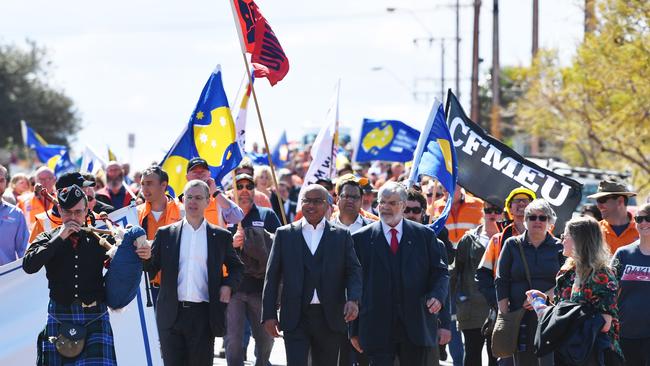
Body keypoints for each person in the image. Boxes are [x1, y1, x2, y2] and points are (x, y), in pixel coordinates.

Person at [23, 183, 152, 365]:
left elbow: (128, 266)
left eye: (78, 212)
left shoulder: (99, 239)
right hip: (60, 316)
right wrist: (60, 237)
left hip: (95, 317)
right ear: (59, 210)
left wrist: (143, 253)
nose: (74, 217)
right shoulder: (47, 239)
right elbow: (29, 265)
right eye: (68, 212)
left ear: (86, 211)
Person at [144, 179, 244, 366]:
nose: (193, 202)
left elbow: (237, 267)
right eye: (189, 197)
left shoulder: (220, 236)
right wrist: (141, 255)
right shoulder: (165, 234)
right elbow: (150, 269)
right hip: (171, 315)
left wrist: (228, 286)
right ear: (183, 201)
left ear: (208, 201)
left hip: (204, 316)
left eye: (198, 198)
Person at [350, 182, 449, 366]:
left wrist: (437, 296)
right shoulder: (360, 239)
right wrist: (354, 329)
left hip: (416, 326)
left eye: (392, 203)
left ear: (403, 206)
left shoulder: (424, 237)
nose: (385, 207)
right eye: (382, 202)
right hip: (376, 327)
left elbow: (440, 272)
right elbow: (355, 285)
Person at [262, 184, 362, 366]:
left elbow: (353, 270)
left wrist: (353, 299)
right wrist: (268, 314)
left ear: (328, 205)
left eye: (317, 201)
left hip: (330, 317)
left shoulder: (341, 235)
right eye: (307, 200)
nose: (311, 205)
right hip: (295, 317)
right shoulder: (285, 234)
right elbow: (272, 276)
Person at [528, 216, 623, 365]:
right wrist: (544, 304)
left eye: (565, 236)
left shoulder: (602, 275)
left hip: (594, 354)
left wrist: (559, 315)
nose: (562, 241)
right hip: (567, 352)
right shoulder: (567, 271)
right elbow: (564, 312)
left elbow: (604, 324)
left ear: (580, 241)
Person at [495, 199, 563, 366]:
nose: (537, 221)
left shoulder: (559, 247)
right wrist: (505, 316)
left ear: (550, 222)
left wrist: (541, 298)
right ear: (525, 221)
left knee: (548, 360)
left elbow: (567, 281)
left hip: (550, 315)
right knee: (522, 361)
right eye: (532, 217)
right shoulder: (512, 244)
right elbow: (501, 280)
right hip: (518, 316)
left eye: (542, 218)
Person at [226, 173, 280, 366]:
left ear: (255, 190)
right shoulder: (225, 217)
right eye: (239, 186)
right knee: (233, 341)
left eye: (249, 186)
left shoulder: (267, 215)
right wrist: (230, 243)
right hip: (234, 289)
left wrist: (258, 239)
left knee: (266, 340)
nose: (244, 190)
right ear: (233, 190)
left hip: (261, 289)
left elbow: (280, 245)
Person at [451, 197, 502, 366]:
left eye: (497, 210)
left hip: (498, 305)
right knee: (472, 353)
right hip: (471, 306)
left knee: (496, 354)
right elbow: (456, 270)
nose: (493, 214)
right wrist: (450, 300)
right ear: (483, 211)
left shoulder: (510, 238)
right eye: (488, 210)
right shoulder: (469, 239)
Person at [476, 187, 536, 309]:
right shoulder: (497, 240)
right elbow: (483, 275)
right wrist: (499, 301)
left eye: (526, 200)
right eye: (516, 200)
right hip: (507, 309)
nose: (521, 203)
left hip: (538, 308)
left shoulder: (546, 239)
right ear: (509, 209)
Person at [612, 202, 650, 365]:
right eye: (639, 219)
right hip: (625, 332)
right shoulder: (623, 253)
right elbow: (608, 289)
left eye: (648, 218)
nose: (643, 223)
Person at [29, 172, 98, 243]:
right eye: (81, 192)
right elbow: (33, 252)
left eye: (85, 191)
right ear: (64, 194)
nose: (85, 196)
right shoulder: (43, 222)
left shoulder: (97, 218)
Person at [184, 157, 244, 228]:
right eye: (195, 172)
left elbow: (237, 217)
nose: (199, 175)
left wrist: (215, 193)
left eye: (203, 171)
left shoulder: (219, 200)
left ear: (209, 174)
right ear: (187, 177)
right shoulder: (179, 202)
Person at [588, 176, 639, 252]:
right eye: (597, 201)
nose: (598, 206)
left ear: (620, 201)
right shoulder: (593, 231)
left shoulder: (643, 230)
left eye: (602, 200)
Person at [0, 164, 29, 266]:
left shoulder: (17, 214)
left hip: (9, 278)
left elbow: (24, 253)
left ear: (6, 183)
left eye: (1, 180)